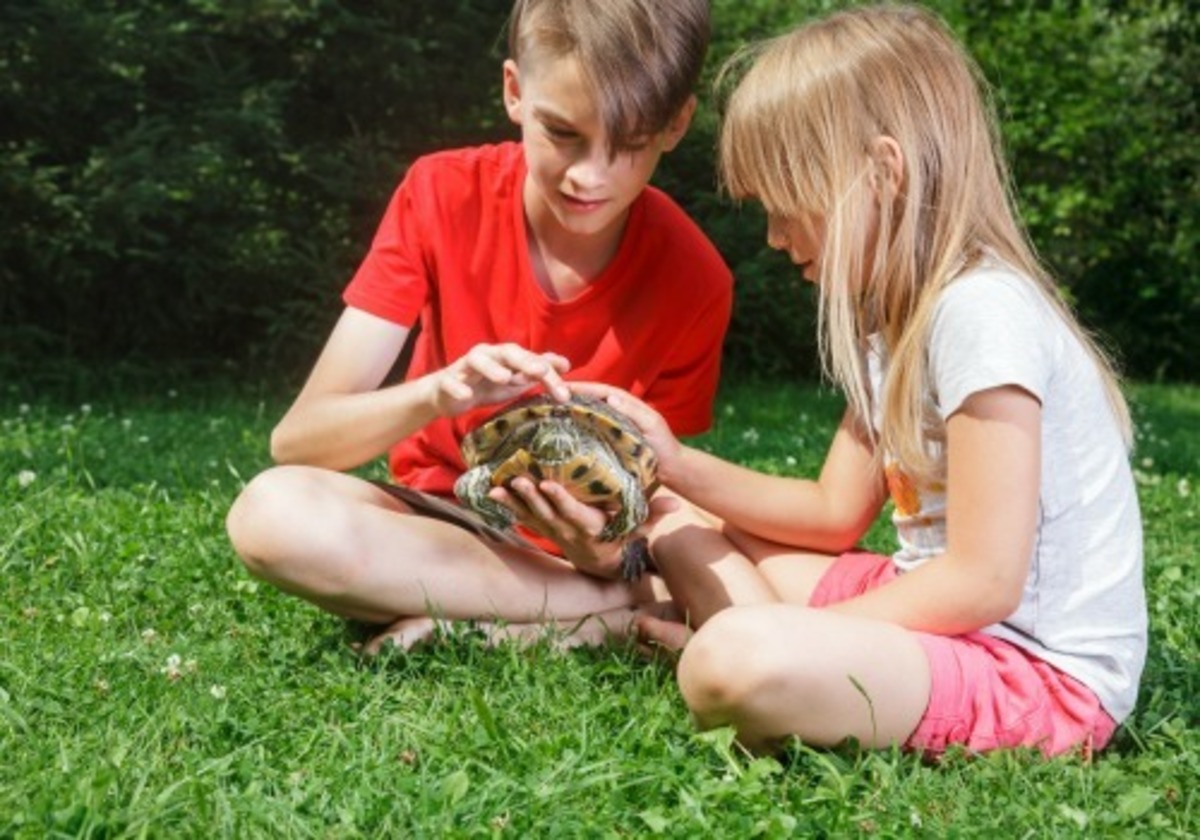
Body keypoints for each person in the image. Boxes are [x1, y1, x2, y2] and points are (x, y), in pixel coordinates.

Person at [577, 4, 1146, 758]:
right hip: (943, 621)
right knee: (682, 524)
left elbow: (984, 583)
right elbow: (829, 513)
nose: (776, 237)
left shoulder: (981, 310)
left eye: (785, 204)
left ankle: (729, 634)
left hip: (1033, 672)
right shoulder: (896, 324)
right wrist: (672, 465)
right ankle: (733, 626)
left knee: (731, 660)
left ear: (882, 172)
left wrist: (802, 634)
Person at [225, 0, 731, 652]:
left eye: (630, 144)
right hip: (449, 529)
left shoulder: (694, 276)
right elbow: (299, 442)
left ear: (676, 123)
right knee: (272, 514)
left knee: (708, 555)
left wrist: (605, 555)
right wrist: (440, 392)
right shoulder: (441, 194)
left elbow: (661, 499)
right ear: (515, 92)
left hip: (593, 551)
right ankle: (593, 616)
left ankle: (529, 617)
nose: (590, 176)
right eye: (563, 133)